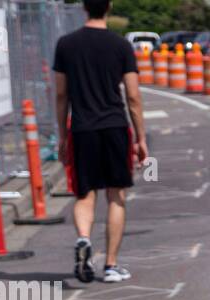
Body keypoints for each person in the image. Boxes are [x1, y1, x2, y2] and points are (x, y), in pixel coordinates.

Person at [53, 0, 147, 283]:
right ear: (109, 6)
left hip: (81, 128)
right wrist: (140, 137)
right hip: (115, 127)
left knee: (84, 193)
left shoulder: (66, 44)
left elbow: (61, 95)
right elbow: (133, 96)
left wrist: (61, 136)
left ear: (84, 7)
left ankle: (84, 238)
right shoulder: (120, 46)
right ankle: (110, 265)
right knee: (116, 195)